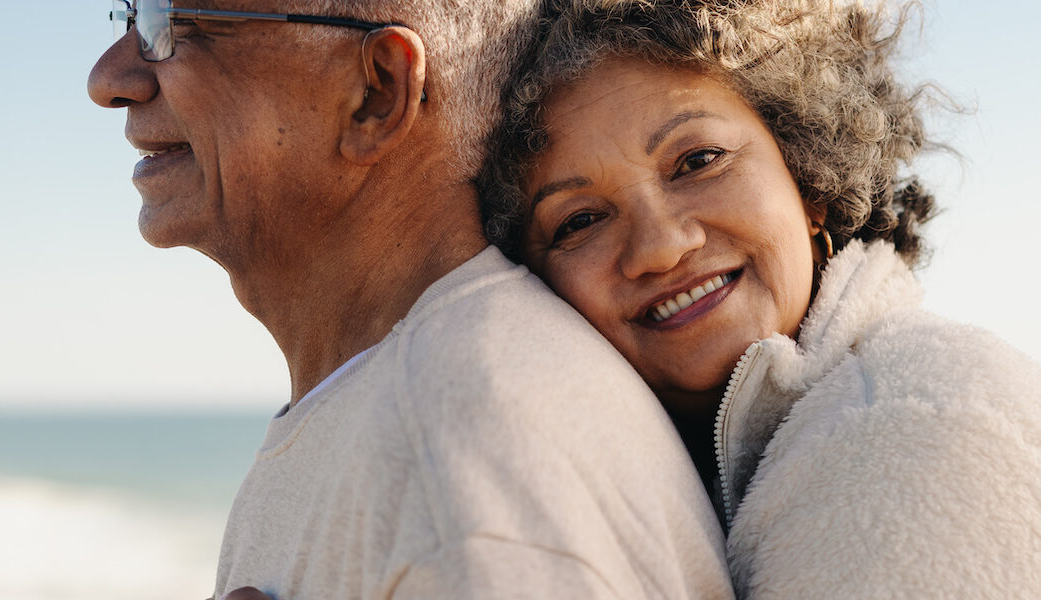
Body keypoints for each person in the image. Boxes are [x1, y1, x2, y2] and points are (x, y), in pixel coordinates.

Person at [88, 0, 734, 598]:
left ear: (377, 94)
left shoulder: (456, 468)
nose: (109, 78)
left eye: (167, 21)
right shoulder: (406, 405)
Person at [475, 0, 1041, 597]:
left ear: (809, 180)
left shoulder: (909, 431)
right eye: (580, 220)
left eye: (698, 161)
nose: (660, 247)